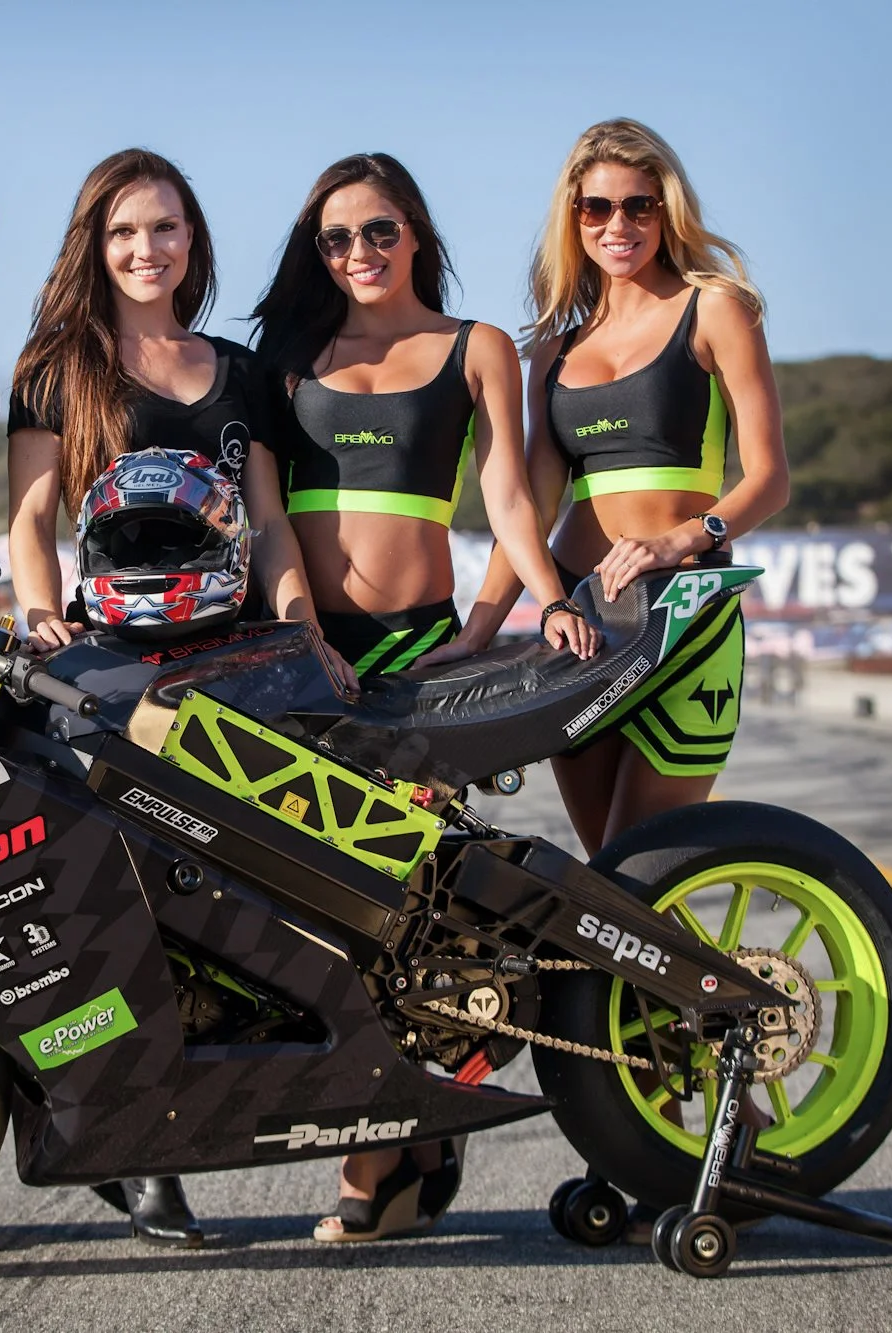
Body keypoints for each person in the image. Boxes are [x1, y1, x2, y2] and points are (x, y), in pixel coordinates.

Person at [250, 152, 597, 1242]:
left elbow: (508, 495)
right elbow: (265, 516)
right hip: (306, 660)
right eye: (335, 238)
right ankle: (418, 1137)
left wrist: (531, 606)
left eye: (379, 231)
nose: (358, 252)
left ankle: (381, 1162)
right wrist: (300, 634)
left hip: (414, 657)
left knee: (397, 908)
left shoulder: (474, 347)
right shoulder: (285, 358)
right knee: (312, 903)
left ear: (415, 235)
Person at [5, 147, 337, 1246]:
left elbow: (271, 523)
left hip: (234, 665)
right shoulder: (58, 367)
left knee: (230, 900)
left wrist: (303, 633)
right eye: (123, 232)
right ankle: (142, 1155)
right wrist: (39, 616)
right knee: (126, 904)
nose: (145, 249)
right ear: (94, 248)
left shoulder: (237, 371)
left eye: (164, 228)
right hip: (109, 671)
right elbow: (29, 518)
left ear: (193, 239)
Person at [474, 117, 788, 857]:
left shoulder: (717, 308)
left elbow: (771, 478)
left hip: (685, 612)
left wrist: (681, 539)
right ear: (574, 218)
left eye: (638, 206)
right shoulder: (553, 348)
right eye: (597, 207)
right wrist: (477, 632)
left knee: (646, 866)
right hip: (585, 624)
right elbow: (531, 508)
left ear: (666, 210)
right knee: (608, 879)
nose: (618, 226)